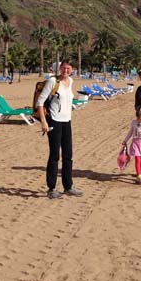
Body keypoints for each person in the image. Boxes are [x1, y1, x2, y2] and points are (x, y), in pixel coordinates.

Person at [37, 60, 83, 199]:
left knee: (68, 155)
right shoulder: (52, 81)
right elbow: (40, 102)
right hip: (54, 121)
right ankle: (51, 188)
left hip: (66, 121)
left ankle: (68, 186)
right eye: (63, 68)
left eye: (68, 68)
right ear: (59, 68)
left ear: (72, 70)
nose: (66, 70)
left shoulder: (71, 81)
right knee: (54, 155)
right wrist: (44, 122)